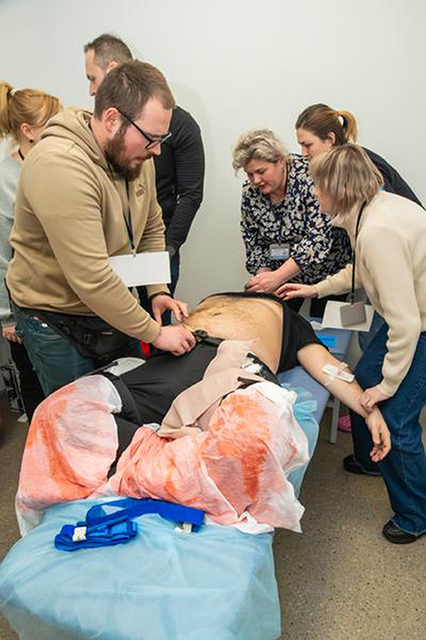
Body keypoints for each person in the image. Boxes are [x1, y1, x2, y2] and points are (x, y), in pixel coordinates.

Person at [7, 61, 195, 398]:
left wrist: (157, 290)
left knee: (129, 401)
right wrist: (156, 333)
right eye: (151, 139)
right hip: (56, 317)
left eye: (161, 138)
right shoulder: (59, 165)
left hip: (107, 303)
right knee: (77, 416)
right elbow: (91, 277)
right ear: (112, 120)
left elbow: (152, 226)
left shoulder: (135, 155)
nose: (157, 150)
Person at [280, 144, 426, 544]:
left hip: (419, 325)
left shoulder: (378, 230)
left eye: (317, 186)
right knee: (361, 378)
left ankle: (415, 514)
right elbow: (360, 270)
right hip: (413, 319)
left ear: (338, 188)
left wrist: (389, 386)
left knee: (395, 418)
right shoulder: (370, 211)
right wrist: (315, 288)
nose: (314, 193)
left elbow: (406, 324)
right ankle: (371, 460)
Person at [84, 34, 205, 311]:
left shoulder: (182, 126)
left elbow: (189, 194)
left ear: (113, 70)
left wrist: (166, 250)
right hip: (111, 252)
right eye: (150, 139)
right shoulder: (97, 137)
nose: (91, 90)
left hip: (156, 244)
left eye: (92, 78)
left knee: (157, 312)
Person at [232, 129, 351, 317]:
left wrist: (277, 277)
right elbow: (252, 237)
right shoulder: (250, 192)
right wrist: (264, 278)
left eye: (261, 171)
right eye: (249, 174)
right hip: (280, 276)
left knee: (324, 329)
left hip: (328, 273)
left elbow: (318, 238)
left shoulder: (311, 176)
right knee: (276, 325)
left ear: (280, 161)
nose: (256, 180)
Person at [0, 82, 61, 420]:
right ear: (28, 131)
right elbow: (1, 255)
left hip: (56, 297)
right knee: (34, 382)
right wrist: (6, 317)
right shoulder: (5, 180)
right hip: (23, 303)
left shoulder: (52, 165)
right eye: (51, 122)